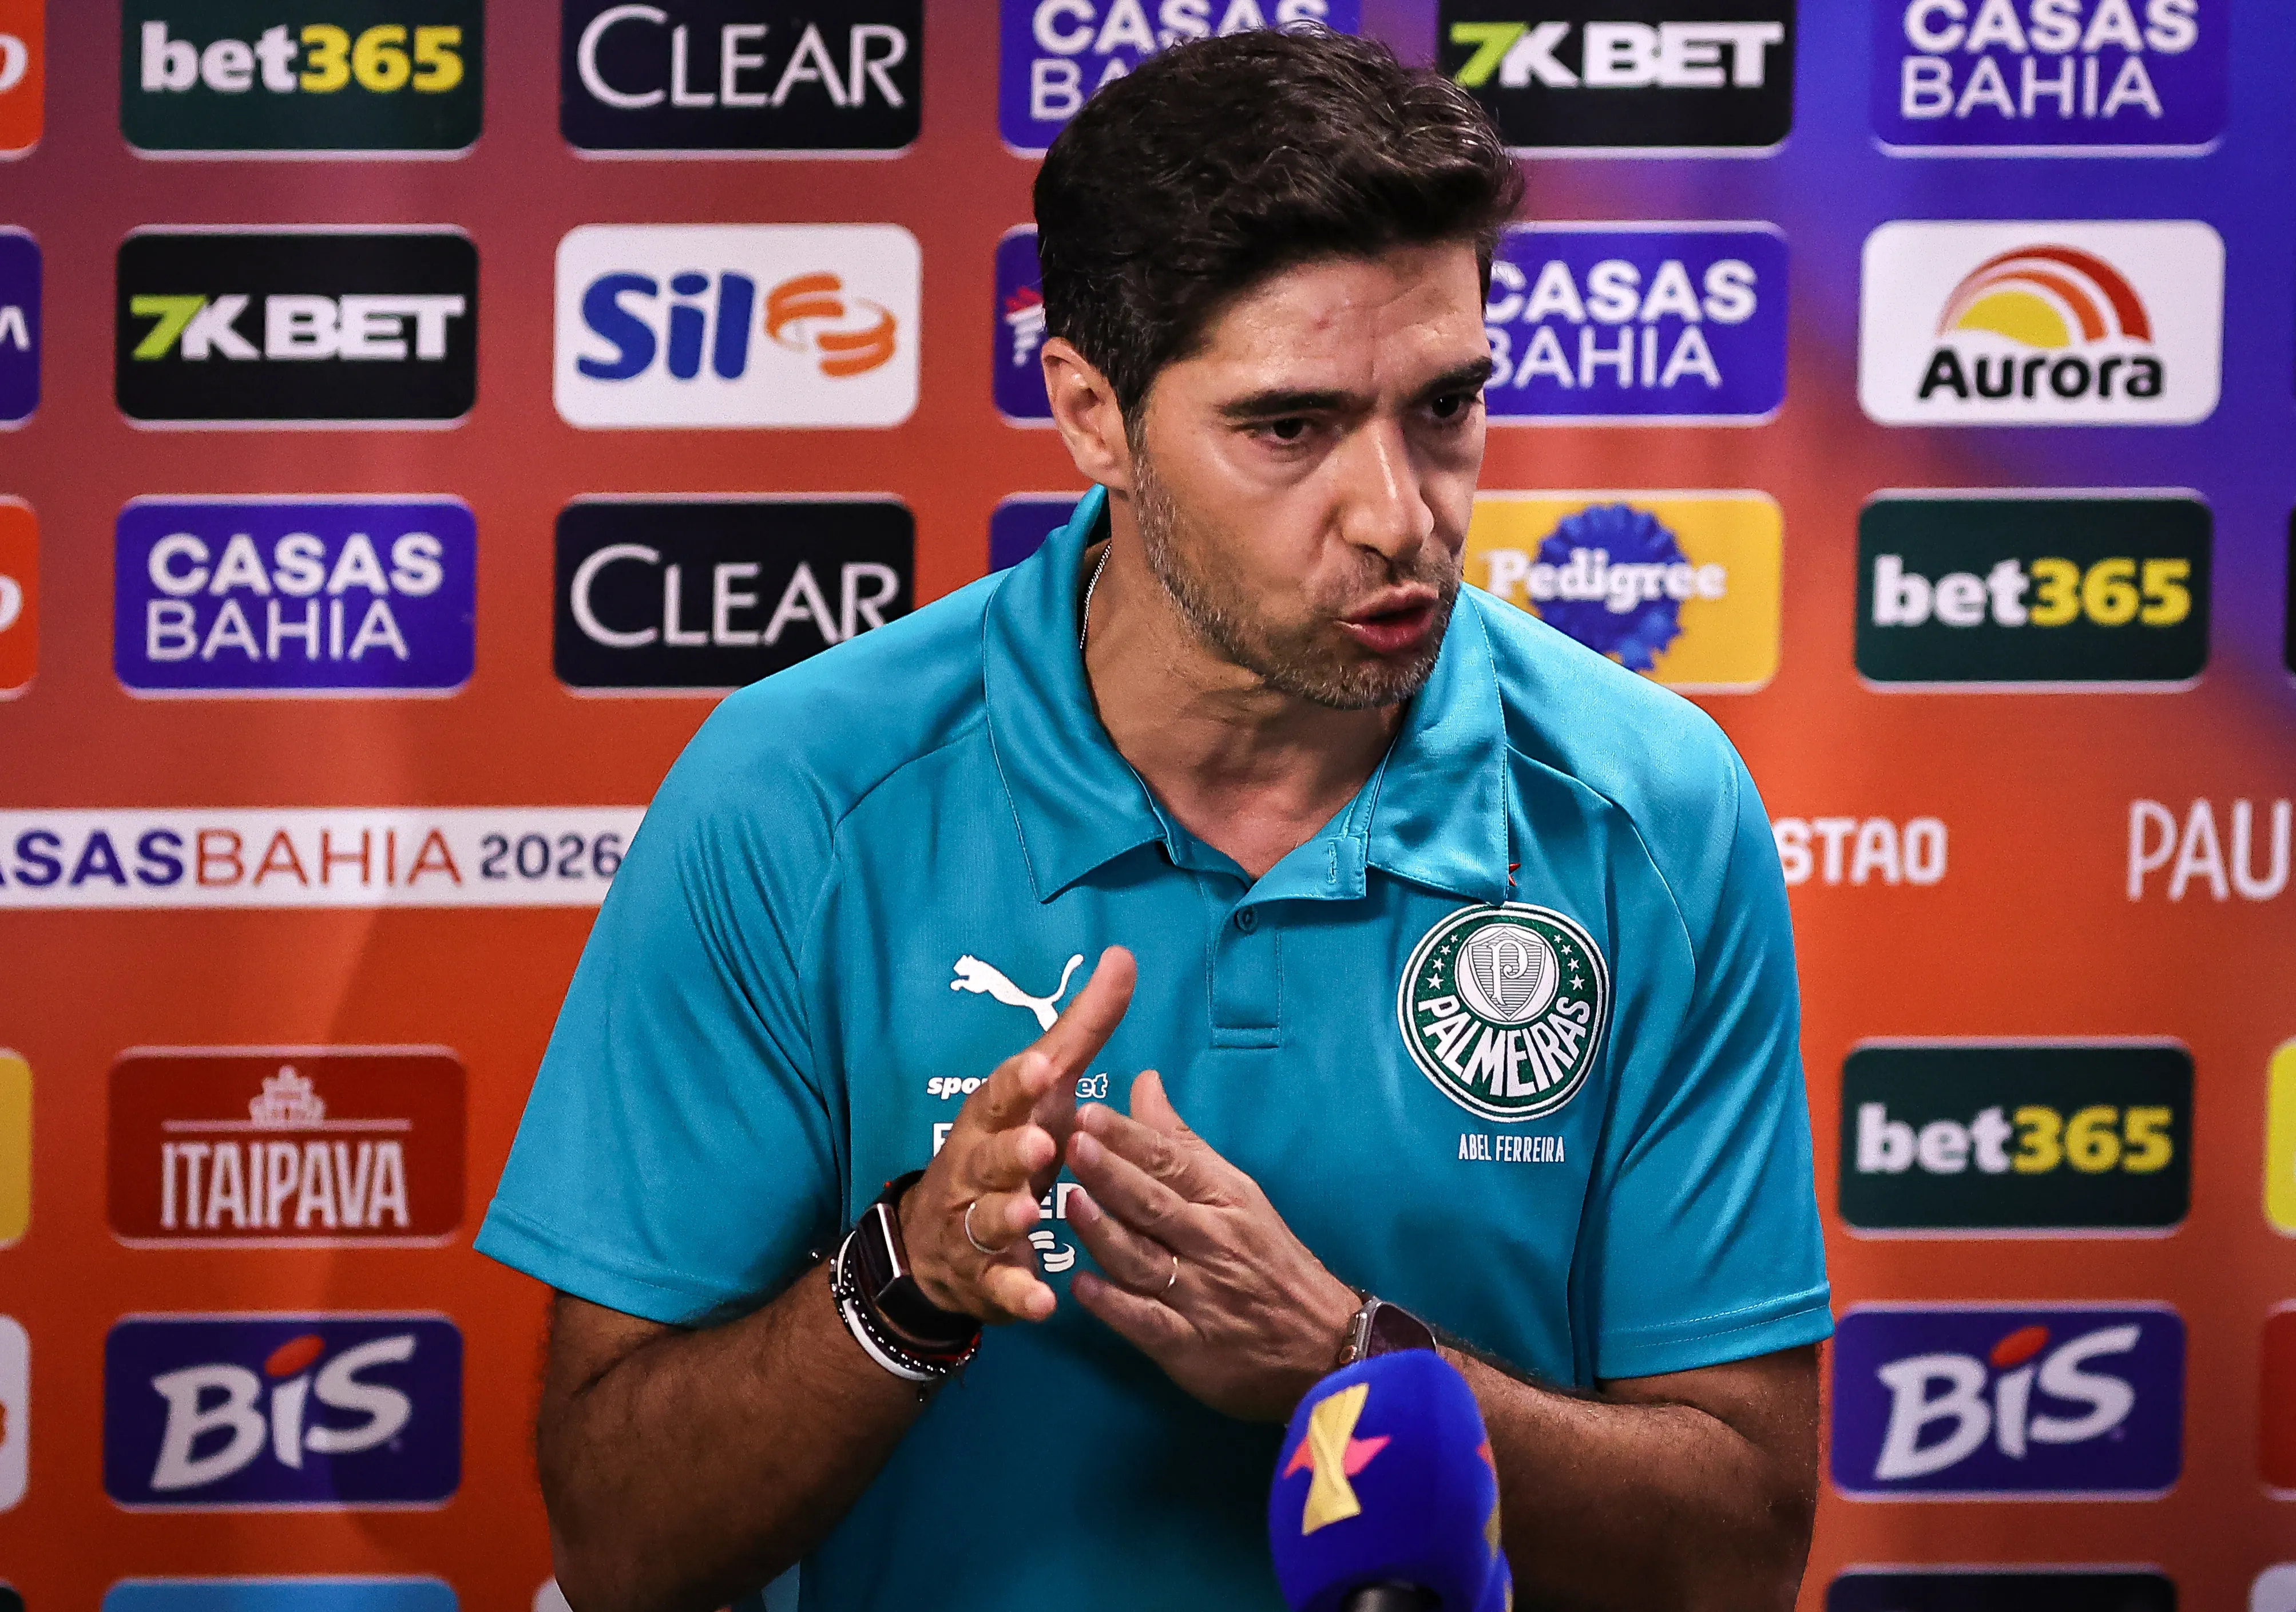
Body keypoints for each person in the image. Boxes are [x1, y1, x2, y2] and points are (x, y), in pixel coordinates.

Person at [478, 27, 1830, 1612]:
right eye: (1289, 427)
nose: (1403, 514)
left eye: (1446, 404)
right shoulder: (797, 798)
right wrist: (906, 1280)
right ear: (1091, 414)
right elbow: (620, 1547)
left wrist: (1349, 1364)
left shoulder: (1652, 811)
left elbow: (1739, 1549)